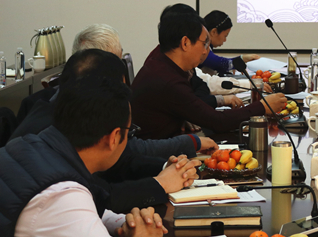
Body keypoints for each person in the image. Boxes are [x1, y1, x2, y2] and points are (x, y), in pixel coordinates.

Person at [0, 76, 165, 237]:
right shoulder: (60, 193)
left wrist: (121, 223)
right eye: (130, 131)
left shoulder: (31, 146)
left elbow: (73, 214)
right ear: (114, 137)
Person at [11, 49, 200, 213]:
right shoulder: (48, 130)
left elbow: (120, 160)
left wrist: (167, 168)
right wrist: (161, 184)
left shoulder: (70, 111)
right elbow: (100, 196)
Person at [131, 5, 287, 139]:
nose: (206, 51)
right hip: (160, 155)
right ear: (185, 43)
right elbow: (217, 121)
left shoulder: (164, 61)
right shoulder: (167, 79)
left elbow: (200, 89)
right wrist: (262, 107)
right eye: (204, 44)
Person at [199, 10, 260, 75]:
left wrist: (240, 59)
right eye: (225, 36)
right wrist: (241, 59)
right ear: (214, 32)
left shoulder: (206, 46)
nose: (225, 40)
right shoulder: (201, 47)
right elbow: (219, 63)